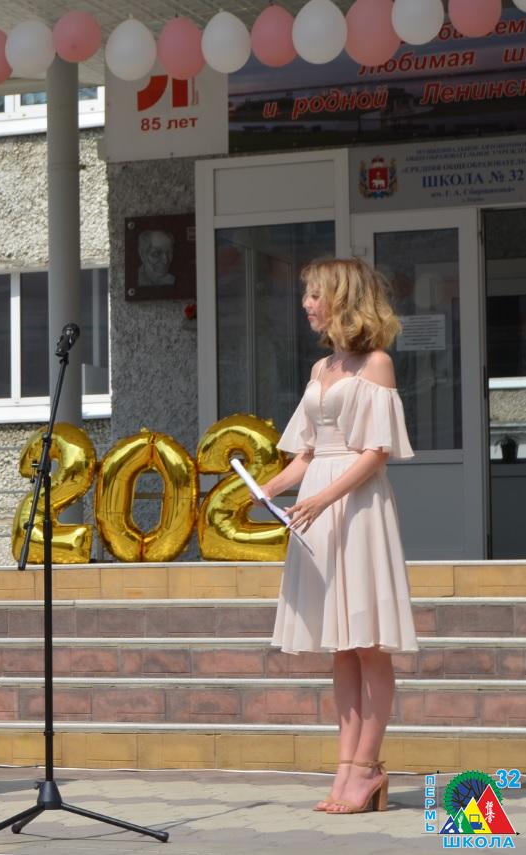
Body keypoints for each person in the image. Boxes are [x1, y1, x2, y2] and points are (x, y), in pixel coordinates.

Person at [260, 258, 417, 815]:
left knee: (368, 642)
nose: (306, 303)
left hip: (357, 509)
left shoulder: (376, 364)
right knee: (342, 646)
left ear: (342, 300)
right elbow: (308, 452)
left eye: (315, 294)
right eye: (306, 294)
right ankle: (346, 766)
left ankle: (367, 768)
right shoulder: (321, 367)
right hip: (319, 508)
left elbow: (375, 453)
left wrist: (324, 498)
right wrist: (267, 487)